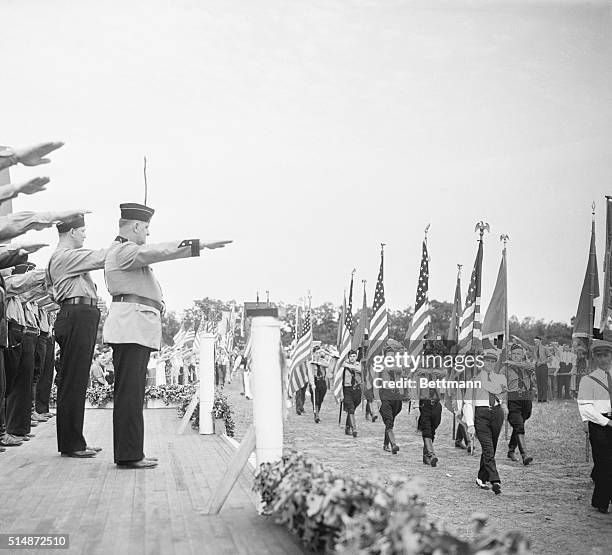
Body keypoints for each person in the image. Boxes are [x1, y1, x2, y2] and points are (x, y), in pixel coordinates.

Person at [103, 202, 231, 469]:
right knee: (129, 394)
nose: (147, 233)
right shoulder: (125, 250)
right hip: (131, 328)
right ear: (136, 226)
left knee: (133, 394)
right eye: (146, 227)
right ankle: (128, 454)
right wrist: (199, 245)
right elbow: (155, 250)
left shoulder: (124, 251)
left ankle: (131, 451)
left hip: (134, 327)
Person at [46, 214, 107, 458]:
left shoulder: (66, 258)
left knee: (76, 381)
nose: (85, 234)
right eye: (82, 230)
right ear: (71, 232)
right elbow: (98, 257)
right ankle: (72, 444)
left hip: (78, 315)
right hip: (76, 315)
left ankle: (75, 440)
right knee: (73, 382)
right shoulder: (65, 256)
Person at [463, 349, 508, 495]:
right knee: (488, 448)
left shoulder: (500, 378)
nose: (490, 363)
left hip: (496, 414)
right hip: (480, 414)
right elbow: (468, 403)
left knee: (492, 448)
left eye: (493, 361)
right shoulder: (475, 381)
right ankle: (495, 480)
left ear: (495, 363)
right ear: (482, 362)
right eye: (487, 360)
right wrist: (470, 424)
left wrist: (503, 406)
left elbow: (501, 395)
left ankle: (481, 478)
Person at [577, 339, 612, 514]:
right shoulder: (588, 380)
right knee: (604, 464)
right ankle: (601, 502)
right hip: (599, 425)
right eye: (599, 356)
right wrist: (606, 421)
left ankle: (602, 497)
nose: (603, 359)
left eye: (606, 355)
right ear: (594, 358)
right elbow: (585, 407)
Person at [505, 343, 536, 465]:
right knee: (519, 425)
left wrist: (514, 363)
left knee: (520, 424)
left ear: (522, 355)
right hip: (513, 401)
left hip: (526, 401)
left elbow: (533, 367)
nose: (516, 356)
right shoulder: (505, 369)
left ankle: (511, 450)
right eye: (514, 354)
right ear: (510, 355)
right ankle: (525, 455)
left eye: (519, 354)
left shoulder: (526, 366)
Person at [414, 353, 446, 467]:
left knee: (432, 431)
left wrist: (437, 371)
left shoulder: (437, 372)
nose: (430, 362)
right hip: (425, 404)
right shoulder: (420, 374)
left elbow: (445, 372)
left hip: (436, 404)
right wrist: (416, 406)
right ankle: (431, 454)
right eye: (428, 360)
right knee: (426, 430)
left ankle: (426, 455)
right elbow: (415, 388)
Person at [373, 344, 405, 454]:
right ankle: (393, 444)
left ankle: (386, 443)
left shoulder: (397, 366)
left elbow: (401, 370)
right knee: (389, 421)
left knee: (390, 423)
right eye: (388, 356)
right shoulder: (380, 367)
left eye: (392, 356)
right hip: (385, 395)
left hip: (396, 396)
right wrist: (377, 399)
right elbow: (376, 383)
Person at [341, 350, 362, 437]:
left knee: (352, 410)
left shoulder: (359, 365)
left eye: (354, 356)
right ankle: (354, 429)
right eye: (351, 356)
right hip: (347, 390)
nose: (352, 358)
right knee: (351, 409)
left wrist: (348, 365)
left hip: (357, 390)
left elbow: (360, 370)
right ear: (348, 357)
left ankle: (347, 427)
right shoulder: (343, 366)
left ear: (356, 357)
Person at [308, 346, 328, 423]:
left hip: (322, 382)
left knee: (320, 399)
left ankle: (317, 412)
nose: (318, 354)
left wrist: (319, 363)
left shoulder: (322, 360)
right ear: (313, 353)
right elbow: (310, 374)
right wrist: (312, 384)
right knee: (315, 399)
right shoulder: (310, 362)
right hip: (315, 381)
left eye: (319, 353)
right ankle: (316, 416)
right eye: (316, 353)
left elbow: (328, 365)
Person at [533, 336, 550, 402]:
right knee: (538, 383)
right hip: (537, 367)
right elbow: (535, 358)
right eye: (534, 341)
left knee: (544, 383)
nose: (535, 342)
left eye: (536, 341)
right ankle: (539, 398)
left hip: (543, 367)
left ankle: (544, 398)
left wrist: (542, 362)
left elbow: (550, 358)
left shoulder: (545, 348)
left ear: (540, 341)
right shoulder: (535, 349)